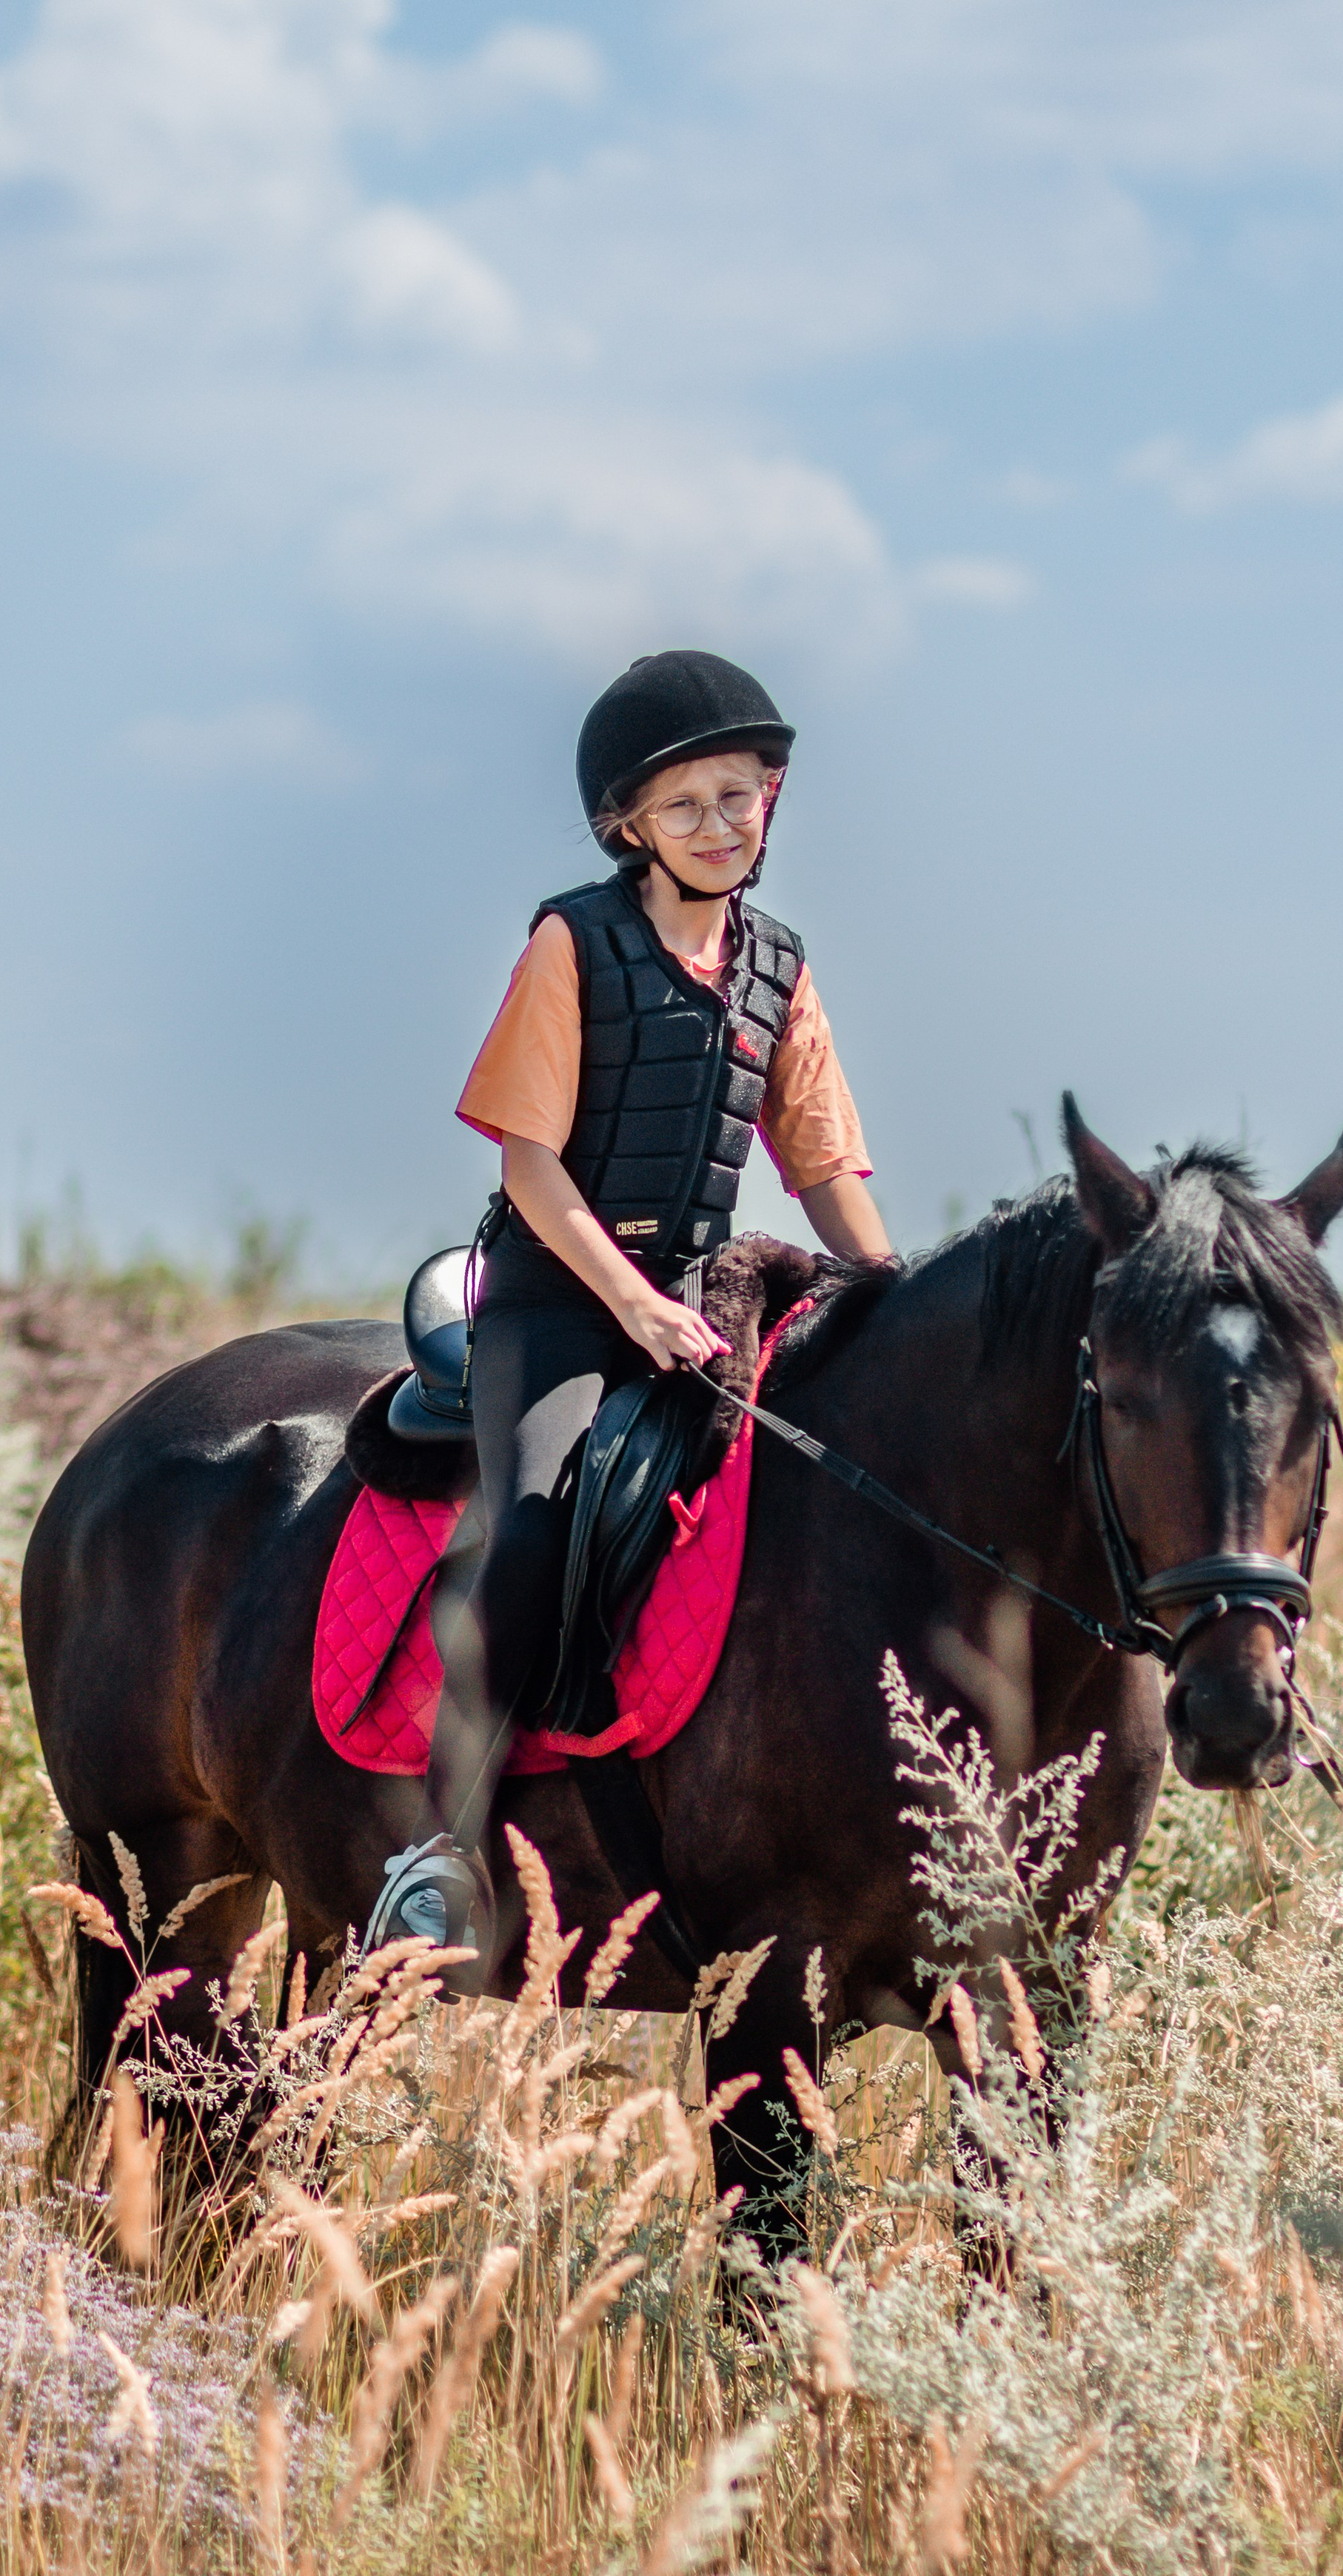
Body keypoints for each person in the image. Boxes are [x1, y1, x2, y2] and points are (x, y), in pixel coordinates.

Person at [365, 649, 891, 1957]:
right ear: (628, 827)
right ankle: (440, 1849)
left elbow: (820, 1163)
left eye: (739, 796)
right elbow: (530, 1167)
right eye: (685, 806)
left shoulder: (778, 964)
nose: (719, 826)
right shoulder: (574, 941)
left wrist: (889, 1302)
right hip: (557, 1299)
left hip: (703, 1296)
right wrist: (634, 1308)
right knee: (539, 1522)